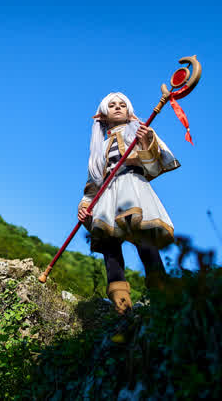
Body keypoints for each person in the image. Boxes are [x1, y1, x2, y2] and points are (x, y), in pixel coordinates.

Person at [77, 92, 180, 314]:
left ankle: (162, 301)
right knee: (110, 248)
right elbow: (93, 184)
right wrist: (85, 206)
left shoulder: (141, 132)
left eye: (122, 105)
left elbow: (153, 168)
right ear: (102, 115)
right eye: (112, 105)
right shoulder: (99, 148)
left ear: (129, 112)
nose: (117, 107)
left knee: (145, 243)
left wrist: (144, 143)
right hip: (107, 197)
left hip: (134, 189)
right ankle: (122, 309)